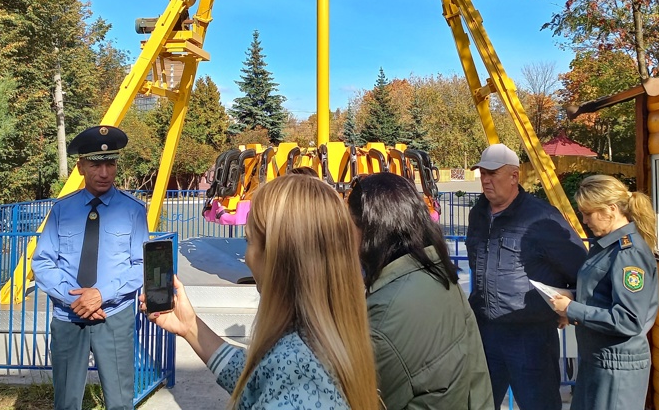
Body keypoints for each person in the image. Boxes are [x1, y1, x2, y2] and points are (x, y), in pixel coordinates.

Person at [144, 174, 379, 410]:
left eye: (248, 241)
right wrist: (190, 326)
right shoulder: (323, 339)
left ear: (276, 256)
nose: (246, 258)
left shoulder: (298, 373)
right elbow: (258, 378)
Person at [347, 173, 494, 410]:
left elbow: (353, 399)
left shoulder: (385, 314)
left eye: (349, 225)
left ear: (370, 232)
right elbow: (476, 371)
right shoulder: (440, 275)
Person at [32, 125, 149, 410]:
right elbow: (43, 262)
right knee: (66, 401)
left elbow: (141, 264)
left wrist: (100, 294)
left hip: (114, 316)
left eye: (110, 164)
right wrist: (77, 299)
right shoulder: (62, 210)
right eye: (96, 164)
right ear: (81, 166)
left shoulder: (133, 211)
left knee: (120, 401)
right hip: (69, 316)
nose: (105, 173)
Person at [464, 143, 587, 410]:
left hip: (530, 337)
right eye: (482, 173)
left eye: (492, 173)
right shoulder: (478, 214)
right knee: (478, 405)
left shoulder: (541, 218)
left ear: (514, 176)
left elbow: (581, 268)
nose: (485, 180)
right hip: (486, 332)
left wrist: (571, 305)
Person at [547, 175, 659, 410]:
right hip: (597, 358)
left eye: (589, 213)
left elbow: (629, 319)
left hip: (617, 365)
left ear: (612, 209)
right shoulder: (606, 245)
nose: (584, 220)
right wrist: (574, 302)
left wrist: (573, 309)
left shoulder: (629, 253)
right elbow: (603, 294)